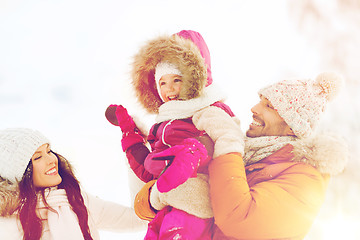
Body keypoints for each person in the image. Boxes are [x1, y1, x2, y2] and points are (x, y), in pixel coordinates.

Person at [134, 72, 349, 239]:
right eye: (260, 100)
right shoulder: (248, 156)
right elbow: (172, 202)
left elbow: (238, 216)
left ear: (293, 126)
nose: (254, 108)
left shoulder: (305, 178)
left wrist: (226, 144)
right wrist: (155, 195)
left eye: (269, 106)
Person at [105, 30, 244, 239]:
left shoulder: (207, 109)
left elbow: (231, 140)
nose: (169, 90)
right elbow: (149, 169)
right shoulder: (163, 124)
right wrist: (131, 135)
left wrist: (196, 152)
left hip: (193, 205)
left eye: (177, 80)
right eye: (162, 82)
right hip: (163, 204)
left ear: (194, 78)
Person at [0, 128, 146, 240]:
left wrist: (135, 156)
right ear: (18, 173)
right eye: (38, 157)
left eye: (49, 151)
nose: (51, 159)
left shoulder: (75, 200)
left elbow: (138, 218)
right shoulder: (7, 223)